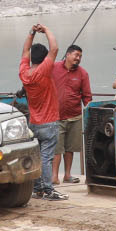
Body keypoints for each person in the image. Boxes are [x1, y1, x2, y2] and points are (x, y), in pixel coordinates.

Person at [18, 23, 65, 200]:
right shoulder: (44, 70)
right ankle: (48, 190)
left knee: (37, 157)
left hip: (34, 122)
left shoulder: (24, 72)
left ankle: (37, 188)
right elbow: (55, 48)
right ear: (44, 58)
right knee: (46, 157)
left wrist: (31, 33)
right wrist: (45, 30)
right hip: (49, 121)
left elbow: (24, 51)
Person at [51, 44, 92, 184]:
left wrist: (88, 113)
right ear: (68, 55)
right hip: (56, 116)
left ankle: (67, 175)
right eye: (76, 55)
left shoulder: (83, 74)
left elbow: (87, 97)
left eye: (80, 56)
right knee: (57, 148)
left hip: (75, 116)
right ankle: (54, 176)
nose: (78, 58)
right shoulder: (53, 68)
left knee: (70, 148)